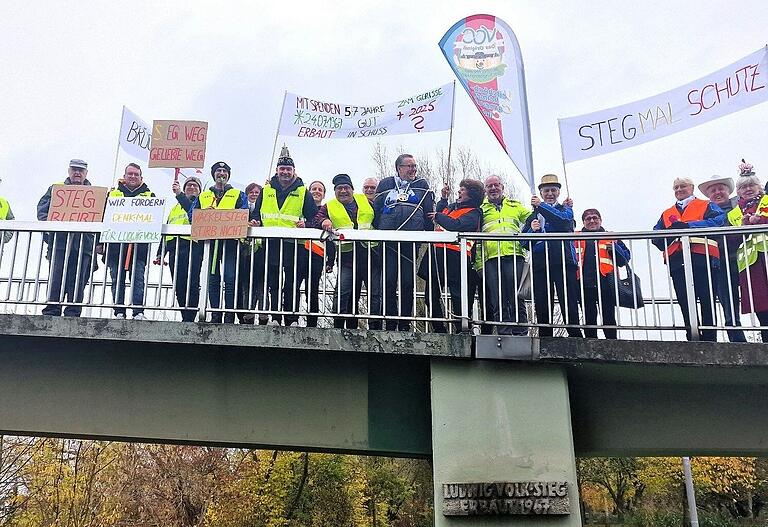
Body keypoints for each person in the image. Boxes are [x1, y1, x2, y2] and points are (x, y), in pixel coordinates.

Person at [251, 148, 318, 326]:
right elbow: (256, 214)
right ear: (277, 171)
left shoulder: (304, 192)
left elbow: (314, 217)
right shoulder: (265, 191)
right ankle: (275, 317)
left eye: (289, 169)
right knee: (273, 283)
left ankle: (292, 318)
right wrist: (255, 222)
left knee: (292, 284)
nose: (285, 172)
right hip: (270, 243)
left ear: (294, 171)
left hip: (294, 244)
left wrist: (307, 225)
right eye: (282, 169)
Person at [652, 177, 724, 341]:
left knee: (707, 298)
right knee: (684, 300)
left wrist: (689, 227)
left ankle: (710, 336)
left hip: (703, 257)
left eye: (682, 186)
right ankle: (691, 335)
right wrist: (671, 233)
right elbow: (655, 236)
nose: (679, 190)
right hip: (678, 260)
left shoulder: (706, 205)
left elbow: (719, 222)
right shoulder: (667, 213)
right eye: (676, 187)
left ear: (691, 188)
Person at [176, 161, 248, 323]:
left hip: (230, 242)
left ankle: (229, 313)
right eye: (218, 171)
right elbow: (191, 216)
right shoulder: (204, 196)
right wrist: (205, 215)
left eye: (224, 171)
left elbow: (244, 213)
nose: (221, 174)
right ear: (214, 175)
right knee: (212, 279)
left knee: (230, 278)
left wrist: (222, 217)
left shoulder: (238, 194)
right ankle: (216, 313)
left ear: (228, 175)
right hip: (210, 244)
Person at [372, 153, 434, 331]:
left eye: (414, 166)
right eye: (409, 166)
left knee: (408, 282)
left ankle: (405, 322)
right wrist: (381, 229)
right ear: (399, 168)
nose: (413, 169)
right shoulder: (385, 184)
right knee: (389, 280)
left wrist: (427, 234)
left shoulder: (422, 185)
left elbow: (428, 211)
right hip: (389, 241)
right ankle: (391, 321)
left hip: (411, 241)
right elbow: (377, 210)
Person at [319, 174, 382, 329]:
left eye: (346, 188)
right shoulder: (330, 205)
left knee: (375, 294)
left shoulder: (365, 201)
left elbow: (380, 220)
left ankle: (375, 327)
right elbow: (317, 218)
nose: (343, 191)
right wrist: (324, 221)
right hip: (347, 258)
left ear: (352, 190)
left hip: (371, 256)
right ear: (335, 191)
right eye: (339, 188)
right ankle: (338, 326)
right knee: (343, 292)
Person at [419, 179, 483, 333]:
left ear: (471, 194)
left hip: (456, 259)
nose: (459, 191)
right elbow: (439, 215)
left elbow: (457, 225)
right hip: (437, 257)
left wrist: (439, 216)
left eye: (463, 189)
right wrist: (443, 199)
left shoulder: (474, 213)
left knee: (458, 298)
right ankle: (439, 329)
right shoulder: (451, 208)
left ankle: (461, 329)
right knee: (430, 297)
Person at [36, 159, 97, 317]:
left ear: (86, 173)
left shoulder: (96, 193)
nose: (77, 173)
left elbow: (102, 218)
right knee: (57, 277)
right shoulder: (56, 189)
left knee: (78, 280)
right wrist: (51, 230)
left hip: (84, 245)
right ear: (69, 171)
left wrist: (99, 242)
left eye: (80, 170)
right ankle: (52, 309)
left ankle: (73, 311)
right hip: (60, 243)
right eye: (74, 169)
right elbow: (43, 211)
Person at [475, 175, 532, 335]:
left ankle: (521, 332)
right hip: (491, 258)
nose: (493, 188)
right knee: (497, 298)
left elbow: (534, 219)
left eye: (496, 185)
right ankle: (504, 333)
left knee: (517, 296)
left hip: (514, 255)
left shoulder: (515, 206)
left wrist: (539, 208)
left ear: (502, 187)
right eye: (489, 186)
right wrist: (479, 264)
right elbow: (477, 240)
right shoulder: (481, 210)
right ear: (485, 190)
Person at [529, 174, 582, 337]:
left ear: (558, 192)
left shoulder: (565, 209)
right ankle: (545, 336)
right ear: (541, 193)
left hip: (563, 260)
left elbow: (565, 222)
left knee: (568, 298)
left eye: (553, 190)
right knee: (542, 300)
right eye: (546, 191)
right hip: (540, 261)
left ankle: (574, 334)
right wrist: (532, 230)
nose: (550, 194)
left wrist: (542, 207)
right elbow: (524, 241)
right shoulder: (533, 215)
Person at [99, 163, 154, 320]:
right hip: (115, 247)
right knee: (117, 279)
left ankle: (138, 311)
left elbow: (154, 220)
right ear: (124, 176)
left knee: (137, 279)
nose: (133, 177)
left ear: (141, 178)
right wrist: (99, 242)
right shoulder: (113, 195)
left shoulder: (150, 196)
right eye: (130, 174)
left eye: (136, 174)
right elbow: (103, 219)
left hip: (138, 247)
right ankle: (119, 311)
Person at [698, 174, 747, 342]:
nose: (717, 192)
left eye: (721, 189)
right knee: (728, 300)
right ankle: (737, 339)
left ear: (728, 191)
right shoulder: (705, 211)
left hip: (747, 258)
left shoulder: (741, 204)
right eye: (713, 190)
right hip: (720, 261)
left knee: (757, 297)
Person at [726, 161, 768, 341]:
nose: (748, 189)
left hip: (766, 257)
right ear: (738, 192)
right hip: (750, 264)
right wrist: (743, 226)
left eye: (752, 185)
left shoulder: (766, 201)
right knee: (761, 304)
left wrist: (759, 221)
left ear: (759, 187)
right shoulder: (733, 213)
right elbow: (730, 241)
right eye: (743, 187)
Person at [575, 209, 630, 339]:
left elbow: (626, 258)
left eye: (595, 218)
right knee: (589, 316)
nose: (592, 221)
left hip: (607, 282)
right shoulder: (575, 236)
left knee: (609, 315)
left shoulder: (611, 236)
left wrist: (615, 249)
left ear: (600, 220)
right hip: (584, 283)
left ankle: (612, 343)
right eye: (588, 219)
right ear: (583, 222)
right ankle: (590, 344)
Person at [157, 175, 204, 322]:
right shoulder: (175, 208)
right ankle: (185, 315)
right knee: (179, 284)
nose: (191, 187)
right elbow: (167, 229)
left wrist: (179, 195)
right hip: (175, 249)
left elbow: (193, 212)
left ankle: (191, 315)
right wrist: (160, 253)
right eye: (188, 185)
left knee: (192, 283)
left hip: (192, 246)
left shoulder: (199, 203)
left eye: (195, 186)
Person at [296, 180, 332, 327]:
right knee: (292, 287)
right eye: (313, 189)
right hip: (298, 254)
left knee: (312, 290)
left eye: (320, 190)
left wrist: (331, 260)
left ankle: (312, 324)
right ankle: (291, 320)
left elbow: (330, 237)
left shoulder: (327, 211)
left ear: (324, 195)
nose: (316, 191)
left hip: (316, 256)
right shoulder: (300, 208)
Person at [237, 182, 268, 324]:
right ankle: (248, 314)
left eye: (257, 192)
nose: (254, 194)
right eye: (252, 192)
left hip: (262, 251)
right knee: (247, 284)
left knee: (262, 283)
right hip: (246, 252)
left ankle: (263, 315)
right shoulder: (242, 209)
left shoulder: (264, 207)